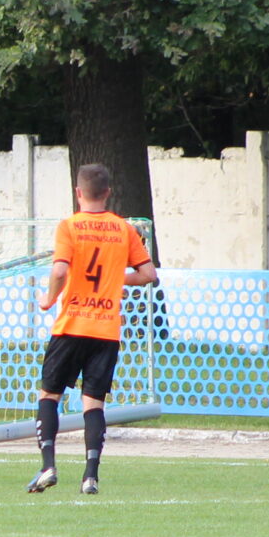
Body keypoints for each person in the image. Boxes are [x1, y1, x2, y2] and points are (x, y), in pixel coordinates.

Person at [29, 162, 159, 496]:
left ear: (78, 192)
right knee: (93, 403)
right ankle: (90, 476)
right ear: (108, 193)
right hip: (105, 330)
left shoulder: (69, 226)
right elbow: (149, 275)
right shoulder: (123, 229)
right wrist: (117, 280)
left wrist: (49, 298)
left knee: (49, 395)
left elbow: (60, 270)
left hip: (72, 324)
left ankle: (48, 466)